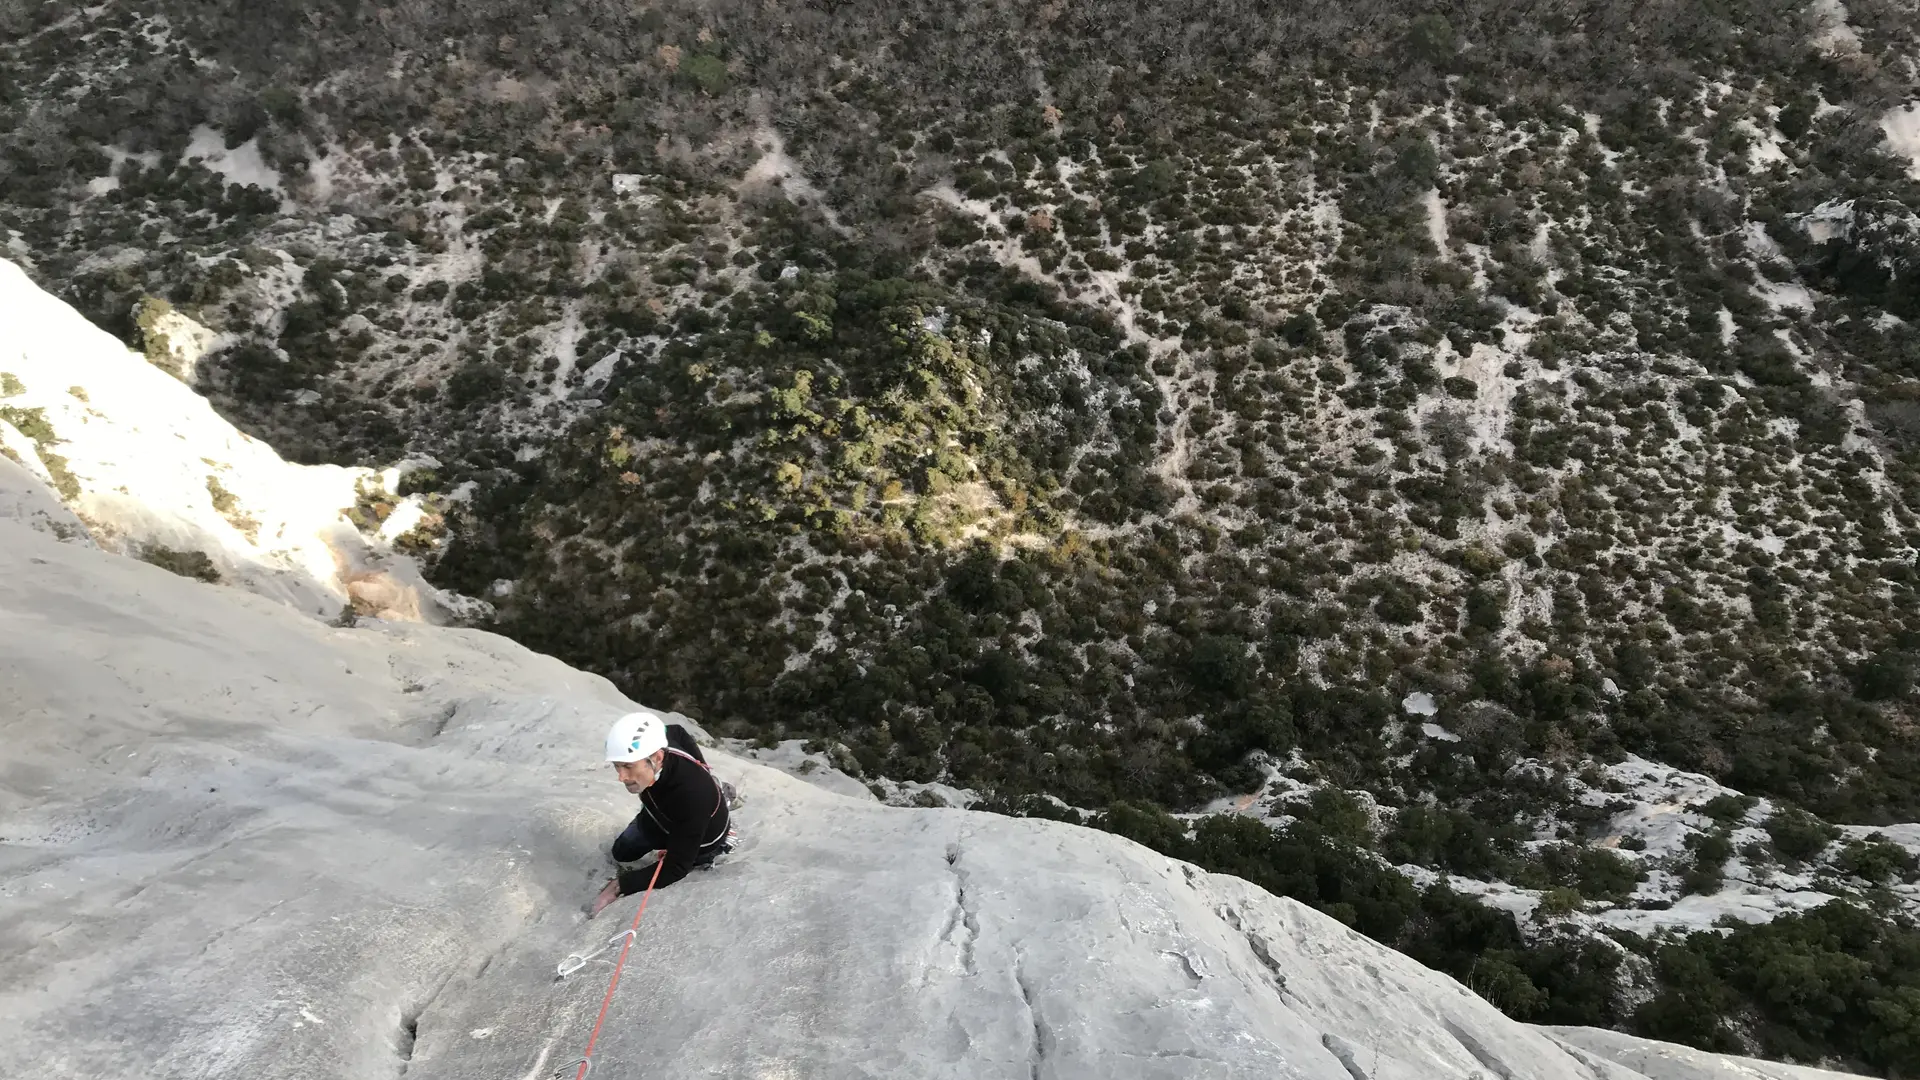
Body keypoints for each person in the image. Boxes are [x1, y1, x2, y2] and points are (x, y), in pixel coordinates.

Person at [590, 711, 733, 917]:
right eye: (617, 766)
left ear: (657, 758)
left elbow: (677, 867)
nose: (621, 777)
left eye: (628, 766)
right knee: (621, 852)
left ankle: (718, 799)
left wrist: (620, 885)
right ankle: (715, 787)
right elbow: (677, 731)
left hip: (700, 837)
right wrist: (704, 767)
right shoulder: (662, 741)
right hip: (659, 815)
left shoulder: (692, 794)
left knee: (686, 851)